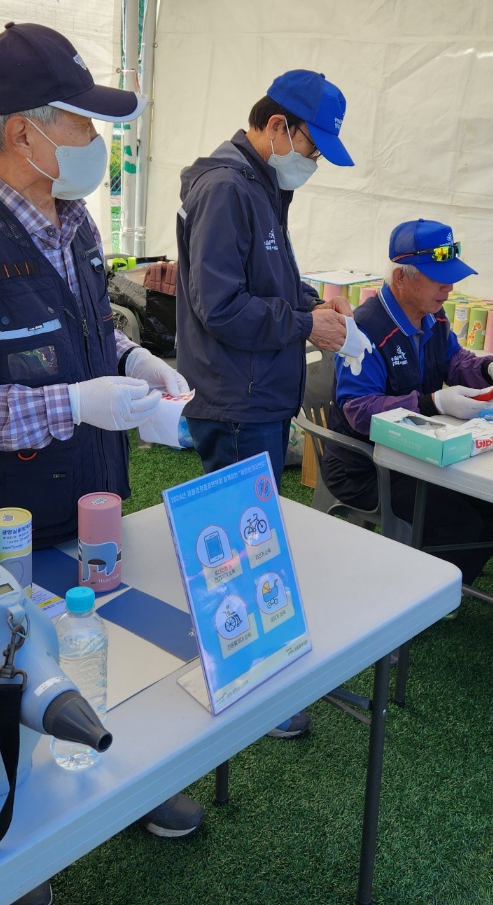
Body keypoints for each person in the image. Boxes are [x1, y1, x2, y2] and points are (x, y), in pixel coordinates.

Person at [0, 21, 202, 840]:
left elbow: (85, 332)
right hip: (3, 524)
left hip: (91, 496)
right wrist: (70, 404)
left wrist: (133, 361)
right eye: (81, 121)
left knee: (100, 643)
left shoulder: (74, 223)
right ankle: (14, 838)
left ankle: (123, 779)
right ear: (24, 134)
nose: (96, 140)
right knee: (3, 675)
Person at [175, 69, 355, 738]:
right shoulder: (228, 187)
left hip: (255, 394)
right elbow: (220, 306)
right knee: (235, 552)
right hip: (237, 398)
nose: (313, 163)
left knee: (251, 544)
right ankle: (248, 682)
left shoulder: (258, 183)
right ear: (278, 127)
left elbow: (265, 279)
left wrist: (311, 303)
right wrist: (306, 324)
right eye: (312, 147)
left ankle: (259, 668)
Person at [321, 220, 493, 586]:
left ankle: (451, 586)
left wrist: (488, 368)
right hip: (366, 466)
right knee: (458, 522)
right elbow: (359, 410)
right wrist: (432, 403)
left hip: (420, 451)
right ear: (401, 277)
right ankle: (426, 594)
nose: (449, 287)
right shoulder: (364, 328)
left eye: (451, 278)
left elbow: (453, 359)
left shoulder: (433, 314)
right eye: (438, 278)